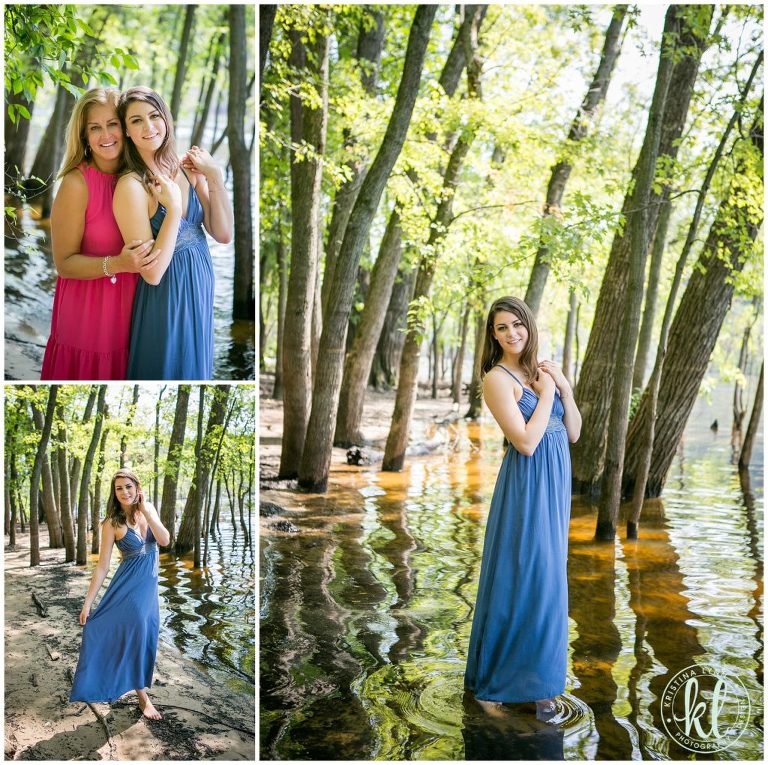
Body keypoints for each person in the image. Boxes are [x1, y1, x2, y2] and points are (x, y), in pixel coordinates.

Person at [464, 296, 581, 719]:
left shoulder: (540, 372)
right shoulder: (497, 379)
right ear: (492, 335)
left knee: (549, 586)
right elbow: (526, 442)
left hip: (555, 489)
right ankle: (492, 688)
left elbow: (572, 433)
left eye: (517, 324)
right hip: (528, 487)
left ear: (529, 326)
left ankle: (539, 683)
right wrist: (549, 392)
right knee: (523, 578)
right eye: (501, 328)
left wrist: (562, 387)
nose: (512, 333)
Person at [112, 86, 233, 380]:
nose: (149, 126)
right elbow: (151, 273)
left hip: (200, 287)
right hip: (166, 296)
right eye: (136, 121)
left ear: (166, 118)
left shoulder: (186, 168)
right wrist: (175, 209)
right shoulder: (131, 186)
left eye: (154, 116)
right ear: (126, 131)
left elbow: (223, 233)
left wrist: (214, 175)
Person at [41, 88, 160, 380]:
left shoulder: (142, 176)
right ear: (84, 136)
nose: (106, 135)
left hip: (134, 315)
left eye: (113, 124)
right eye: (95, 128)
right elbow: (64, 264)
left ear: (126, 127)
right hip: (87, 319)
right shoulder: (76, 183)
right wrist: (118, 264)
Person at [70, 468, 171, 719]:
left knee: (146, 638)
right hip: (127, 592)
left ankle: (135, 688)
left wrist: (147, 511)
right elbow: (103, 566)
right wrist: (87, 604)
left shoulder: (150, 511)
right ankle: (142, 698)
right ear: (114, 494)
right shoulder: (111, 523)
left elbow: (165, 540)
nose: (124, 492)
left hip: (148, 594)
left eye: (128, 486)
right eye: (119, 488)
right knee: (133, 637)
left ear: (137, 487)